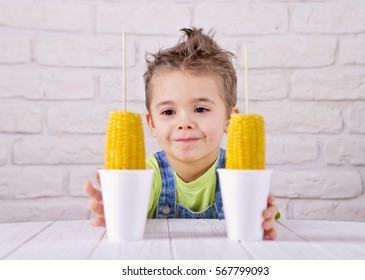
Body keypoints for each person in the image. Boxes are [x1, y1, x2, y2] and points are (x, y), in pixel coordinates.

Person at [84, 27, 278, 240]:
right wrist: (117, 208)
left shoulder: (243, 175)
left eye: (200, 109)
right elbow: (126, 212)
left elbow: (269, 225)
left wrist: (265, 222)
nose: (184, 123)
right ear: (152, 125)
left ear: (230, 120)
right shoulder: (147, 176)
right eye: (168, 112)